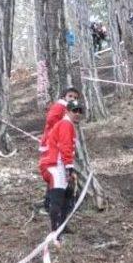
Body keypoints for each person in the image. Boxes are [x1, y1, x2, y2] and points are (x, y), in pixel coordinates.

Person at [39, 98, 84, 244]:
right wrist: (69, 167)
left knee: (68, 195)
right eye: (74, 111)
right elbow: (65, 146)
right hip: (54, 165)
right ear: (67, 111)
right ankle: (55, 233)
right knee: (57, 198)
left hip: (59, 164)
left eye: (79, 111)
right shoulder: (65, 124)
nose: (77, 114)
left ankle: (62, 227)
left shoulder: (67, 124)